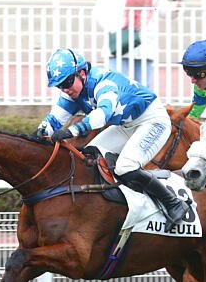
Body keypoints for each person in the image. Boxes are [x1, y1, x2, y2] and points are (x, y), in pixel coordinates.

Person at [33, 48, 190, 230]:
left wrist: (72, 131)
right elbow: (54, 119)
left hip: (153, 121)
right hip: (126, 126)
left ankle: (173, 203)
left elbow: (102, 115)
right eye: (60, 86)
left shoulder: (102, 82)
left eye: (67, 82)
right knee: (88, 158)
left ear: (82, 73)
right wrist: (38, 133)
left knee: (126, 167)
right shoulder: (73, 91)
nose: (65, 89)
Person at [94, 0, 181, 89]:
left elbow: (161, 7)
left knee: (143, 85)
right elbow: (100, 11)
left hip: (144, 41)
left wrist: (174, 8)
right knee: (117, 83)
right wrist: (117, 27)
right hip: (120, 40)